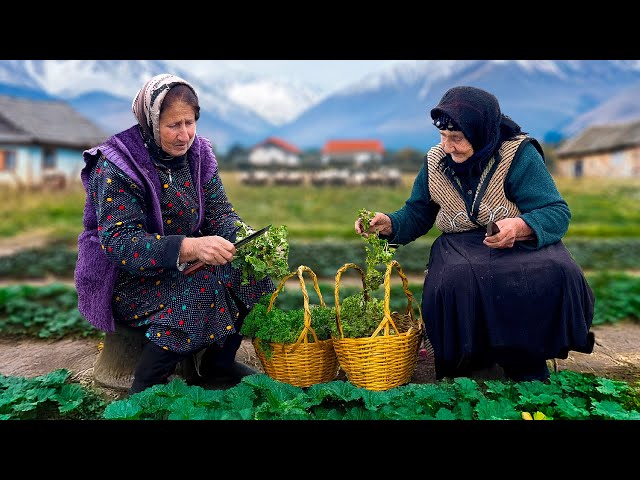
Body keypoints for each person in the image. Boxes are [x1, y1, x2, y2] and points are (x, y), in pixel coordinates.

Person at [355, 85, 595, 382]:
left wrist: (520, 227)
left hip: (517, 241)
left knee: (556, 269)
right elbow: (418, 213)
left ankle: (528, 361)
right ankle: (469, 365)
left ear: (481, 133)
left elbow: (555, 211)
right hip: (461, 244)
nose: (447, 146)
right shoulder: (435, 161)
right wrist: (389, 223)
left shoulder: (517, 154)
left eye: (456, 138)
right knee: (456, 278)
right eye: (443, 136)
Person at [75, 73, 275, 394]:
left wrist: (244, 237)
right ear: (151, 123)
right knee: (204, 284)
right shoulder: (116, 165)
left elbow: (220, 213)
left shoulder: (199, 156)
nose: (185, 136)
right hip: (126, 277)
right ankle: (148, 384)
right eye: (173, 126)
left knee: (252, 270)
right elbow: (121, 243)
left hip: (182, 263)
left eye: (190, 123)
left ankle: (217, 364)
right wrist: (191, 248)